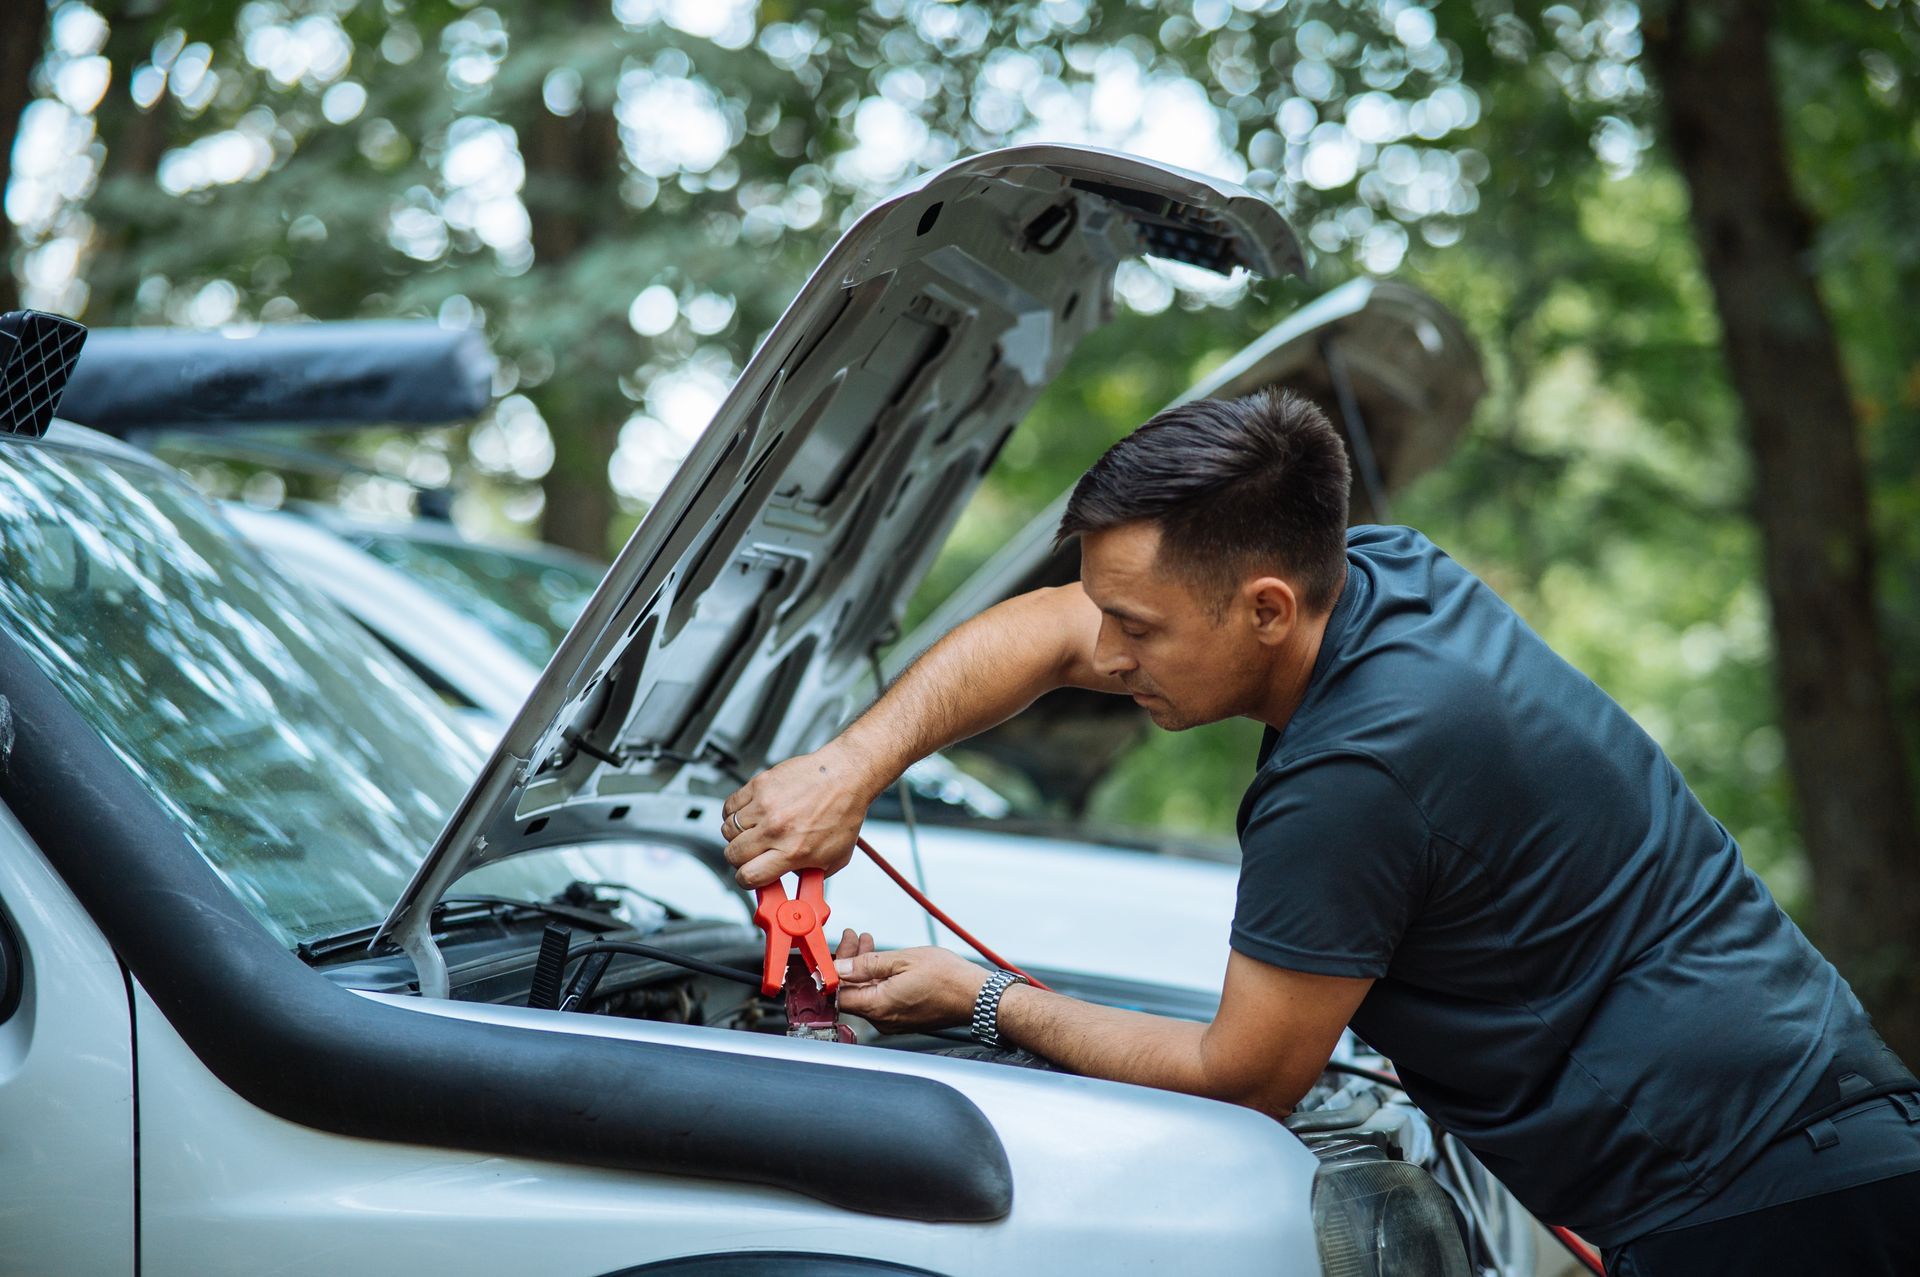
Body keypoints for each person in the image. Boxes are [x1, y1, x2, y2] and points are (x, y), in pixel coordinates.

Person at [716, 390, 1920, 1275]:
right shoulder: (1381, 575)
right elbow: (1048, 627)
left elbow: (1244, 1075)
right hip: (1814, 1129)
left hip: (1769, 1204)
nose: (1110, 655)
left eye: (1137, 625)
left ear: (1266, 609)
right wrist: (848, 764)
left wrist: (981, 998)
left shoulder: (1356, 771)